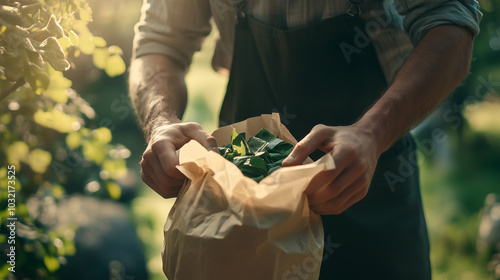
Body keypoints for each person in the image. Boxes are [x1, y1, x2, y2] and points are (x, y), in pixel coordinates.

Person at [129, 0, 481, 278]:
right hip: (243, 198)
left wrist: (372, 134)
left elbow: (450, 23)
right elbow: (161, 41)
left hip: (370, 182)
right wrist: (160, 122)